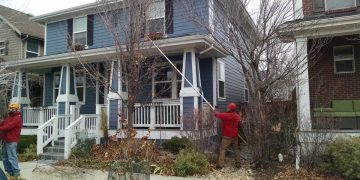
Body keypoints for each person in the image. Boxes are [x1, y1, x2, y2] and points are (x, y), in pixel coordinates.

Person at [214, 102, 241, 168]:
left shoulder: (227, 115)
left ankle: (220, 165)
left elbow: (217, 115)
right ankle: (238, 164)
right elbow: (238, 124)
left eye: (227, 107)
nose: (226, 108)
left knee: (222, 149)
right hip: (235, 135)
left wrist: (216, 110)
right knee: (236, 149)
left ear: (230, 109)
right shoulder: (236, 115)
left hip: (227, 136)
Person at [0, 102, 22, 178]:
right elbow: (3, 124)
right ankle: (9, 172)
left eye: (12, 108)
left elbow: (8, 127)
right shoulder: (9, 117)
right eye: (10, 108)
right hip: (5, 139)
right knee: (4, 157)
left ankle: (16, 172)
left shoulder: (17, 118)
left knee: (12, 156)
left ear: (16, 109)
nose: (10, 109)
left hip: (12, 140)